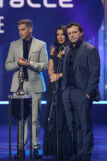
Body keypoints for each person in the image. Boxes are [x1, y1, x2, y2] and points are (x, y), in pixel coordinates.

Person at [5, 19, 48, 159]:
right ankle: (21, 148)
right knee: (21, 120)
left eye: (23, 29)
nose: (20, 32)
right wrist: (18, 64)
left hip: (35, 85)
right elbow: (7, 66)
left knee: (35, 119)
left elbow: (45, 66)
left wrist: (30, 64)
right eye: (19, 30)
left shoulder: (41, 44)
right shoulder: (13, 44)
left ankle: (36, 147)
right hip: (19, 86)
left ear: (30, 29)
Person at [62, 22, 101, 161]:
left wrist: (88, 93)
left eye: (74, 32)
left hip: (82, 92)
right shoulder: (66, 50)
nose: (72, 35)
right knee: (73, 125)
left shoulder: (90, 49)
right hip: (68, 92)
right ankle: (78, 152)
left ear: (81, 33)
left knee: (84, 125)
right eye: (70, 33)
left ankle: (86, 153)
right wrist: (63, 91)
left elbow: (95, 73)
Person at [43, 25, 73, 159]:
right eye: (58, 34)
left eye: (62, 34)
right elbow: (50, 68)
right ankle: (53, 148)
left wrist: (58, 76)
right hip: (54, 87)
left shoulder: (71, 50)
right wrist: (51, 75)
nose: (60, 37)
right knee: (52, 116)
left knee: (64, 117)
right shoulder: (54, 49)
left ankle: (65, 148)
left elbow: (72, 71)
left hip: (65, 86)